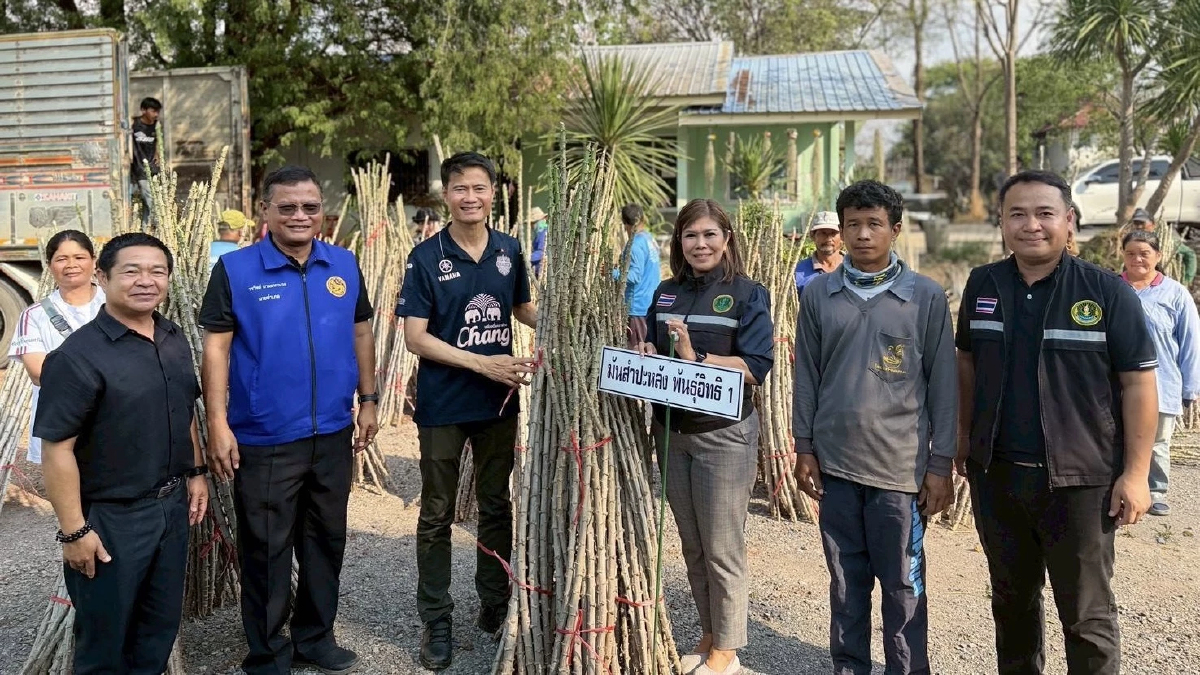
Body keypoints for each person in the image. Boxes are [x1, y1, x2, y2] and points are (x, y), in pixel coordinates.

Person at [957, 170, 1158, 675]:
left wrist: (1135, 474)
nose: (1032, 225)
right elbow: (966, 367)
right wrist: (963, 442)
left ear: (1069, 221)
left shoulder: (1107, 291)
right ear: (1001, 223)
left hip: (1080, 484)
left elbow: (1138, 384)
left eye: (1045, 213)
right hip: (999, 476)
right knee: (1011, 603)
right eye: (1017, 214)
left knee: (1086, 615)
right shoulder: (984, 284)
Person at [200, 166, 378, 675]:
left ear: (323, 210)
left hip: (331, 432)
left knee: (326, 541)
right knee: (267, 549)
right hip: (265, 436)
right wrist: (217, 420)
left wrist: (368, 398)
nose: (300, 216)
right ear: (265, 211)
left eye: (310, 207)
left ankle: (315, 639)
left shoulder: (343, 263)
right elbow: (216, 347)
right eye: (288, 207)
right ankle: (268, 653)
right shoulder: (235, 270)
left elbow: (361, 332)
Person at [792, 180, 956, 675]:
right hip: (837, 465)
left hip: (899, 472)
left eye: (874, 224)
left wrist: (941, 462)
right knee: (846, 584)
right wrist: (804, 446)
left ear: (896, 230)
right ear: (840, 233)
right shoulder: (821, 294)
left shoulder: (924, 297)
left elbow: (944, 384)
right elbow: (807, 375)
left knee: (903, 588)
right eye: (853, 225)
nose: (863, 235)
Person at [34, 232, 208, 673]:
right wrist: (74, 532)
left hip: (171, 508)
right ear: (103, 276)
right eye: (131, 271)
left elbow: (184, 408)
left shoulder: (172, 338)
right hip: (112, 519)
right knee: (105, 641)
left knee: (157, 628)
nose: (145, 281)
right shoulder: (77, 357)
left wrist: (196, 471)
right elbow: (58, 450)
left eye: (157, 271)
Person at [396, 151, 537, 671]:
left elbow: (520, 307)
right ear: (446, 194)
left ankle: (495, 606)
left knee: (496, 504)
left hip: (499, 402)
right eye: (460, 189)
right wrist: (484, 364)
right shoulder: (426, 257)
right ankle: (436, 618)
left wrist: (570, 318)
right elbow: (415, 338)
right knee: (436, 512)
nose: (470, 197)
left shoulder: (509, 249)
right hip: (445, 404)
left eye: (479, 188)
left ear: (493, 193)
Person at [635, 198, 774, 675]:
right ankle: (710, 632)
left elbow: (756, 367)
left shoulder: (746, 294)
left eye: (710, 234)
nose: (700, 244)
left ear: (726, 239)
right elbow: (654, 350)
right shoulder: (666, 292)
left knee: (721, 545)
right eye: (691, 235)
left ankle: (728, 651)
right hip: (673, 433)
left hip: (724, 434)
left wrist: (697, 358)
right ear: (679, 242)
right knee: (692, 544)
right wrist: (647, 350)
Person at [1120, 229, 1200, 517]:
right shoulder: (1110, 287)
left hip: (1162, 382)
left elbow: (1191, 342)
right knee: (1114, 436)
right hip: (1114, 382)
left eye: (1144, 253)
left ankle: (1155, 491)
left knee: (1158, 442)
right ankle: (1116, 487)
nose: (1137, 259)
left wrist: (1191, 388)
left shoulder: (1175, 293)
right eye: (1131, 253)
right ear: (1123, 255)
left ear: (1158, 256)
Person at [8, 230, 106, 463]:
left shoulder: (115, 304)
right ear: (49, 265)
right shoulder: (35, 315)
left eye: (79, 257)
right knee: (68, 494)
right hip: (62, 419)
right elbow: (39, 373)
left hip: (115, 416)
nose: (71, 265)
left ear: (94, 261)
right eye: (61, 259)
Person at [619, 203, 661, 347]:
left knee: (637, 351)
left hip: (637, 305)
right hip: (649, 302)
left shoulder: (635, 244)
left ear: (625, 224)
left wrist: (612, 273)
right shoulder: (649, 239)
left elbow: (635, 276)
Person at [1130, 207, 1197, 286]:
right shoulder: (1132, 241)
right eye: (1136, 223)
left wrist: (1187, 279)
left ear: (1152, 225)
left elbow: (1190, 254)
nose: (1139, 227)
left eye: (1142, 223)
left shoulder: (1166, 240)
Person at [793, 211, 843, 295]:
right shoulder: (799, 272)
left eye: (833, 233)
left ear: (842, 236)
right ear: (813, 236)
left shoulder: (855, 267)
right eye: (823, 233)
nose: (828, 238)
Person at [131, 97, 162, 224]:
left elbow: (159, 144)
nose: (156, 114)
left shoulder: (156, 126)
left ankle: (147, 230)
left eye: (157, 111)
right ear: (143, 110)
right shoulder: (134, 124)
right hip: (139, 169)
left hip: (153, 169)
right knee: (150, 200)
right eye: (153, 111)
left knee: (148, 203)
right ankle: (160, 224)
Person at [529, 207, 548, 276]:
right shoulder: (540, 233)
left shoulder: (543, 233)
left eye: (532, 223)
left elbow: (541, 252)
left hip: (542, 271)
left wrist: (527, 258)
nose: (531, 226)